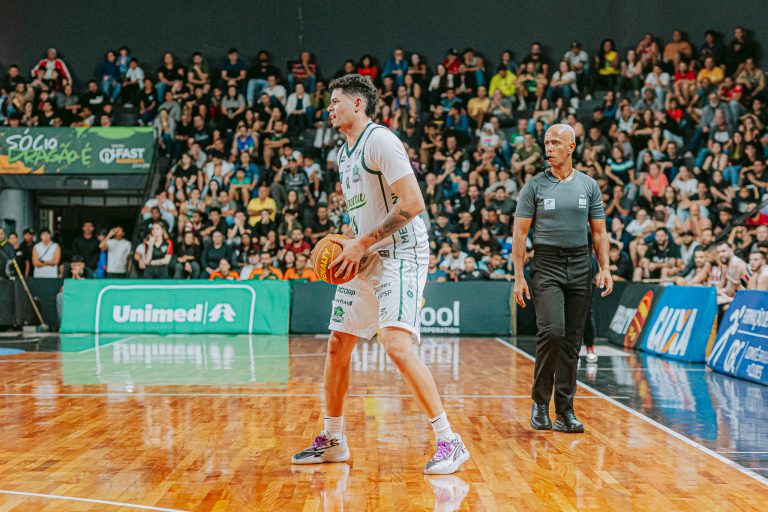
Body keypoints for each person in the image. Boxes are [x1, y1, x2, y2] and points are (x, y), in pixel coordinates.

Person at [291, 74, 469, 475]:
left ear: (358, 104)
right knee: (338, 343)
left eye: (336, 101)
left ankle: (449, 441)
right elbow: (365, 216)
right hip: (368, 252)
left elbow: (413, 203)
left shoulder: (380, 141)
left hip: (402, 252)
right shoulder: (344, 154)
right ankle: (333, 439)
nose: (329, 108)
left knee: (395, 344)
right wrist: (350, 245)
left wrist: (363, 243)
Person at [512, 124, 612, 433]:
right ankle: (540, 403)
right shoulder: (534, 186)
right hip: (547, 263)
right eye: (547, 142)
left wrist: (605, 267)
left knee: (572, 340)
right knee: (553, 331)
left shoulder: (588, 186)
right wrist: (518, 276)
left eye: (556, 142)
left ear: (571, 147)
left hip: (581, 263)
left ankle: (565, 411)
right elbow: (520, 234)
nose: (549, 148)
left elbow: (599, 232)